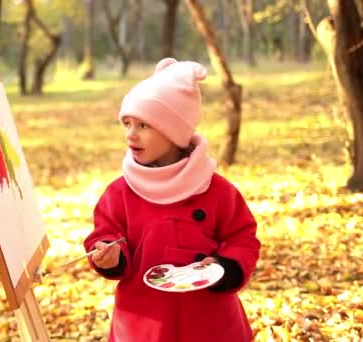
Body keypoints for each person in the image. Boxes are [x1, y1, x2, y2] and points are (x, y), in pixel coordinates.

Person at [84, 57, 261, 341]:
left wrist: (223, 268)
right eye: (127, 123)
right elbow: (104, 235)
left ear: (174, 132)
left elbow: (243, 237)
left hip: (210, 321)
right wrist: (108, 255)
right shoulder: (120, 192)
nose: (131, 134)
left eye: (143, 125)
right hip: (144, 323)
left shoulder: (216, 189)